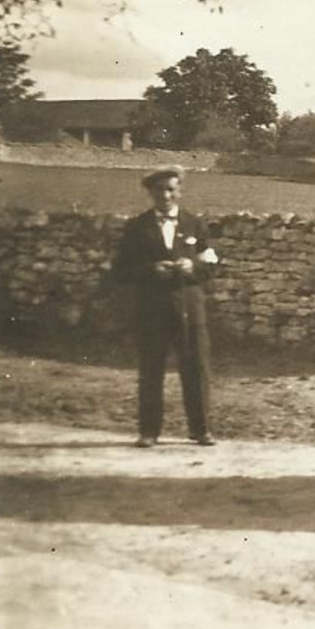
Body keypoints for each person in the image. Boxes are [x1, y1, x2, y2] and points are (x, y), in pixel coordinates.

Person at [112, 166, 218, 446]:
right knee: (151, 369)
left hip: (190, 309)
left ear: (180, 191)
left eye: (171, 189)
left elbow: (212, 266)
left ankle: (201, 429)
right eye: (160, 190)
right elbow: (120, 271)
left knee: (196, 368)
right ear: (151, 193)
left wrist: (192, 265)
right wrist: (150, 269)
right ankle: (149, 432)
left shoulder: (195, 224)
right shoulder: (137, 227)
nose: (166, 195)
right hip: (152, 310)